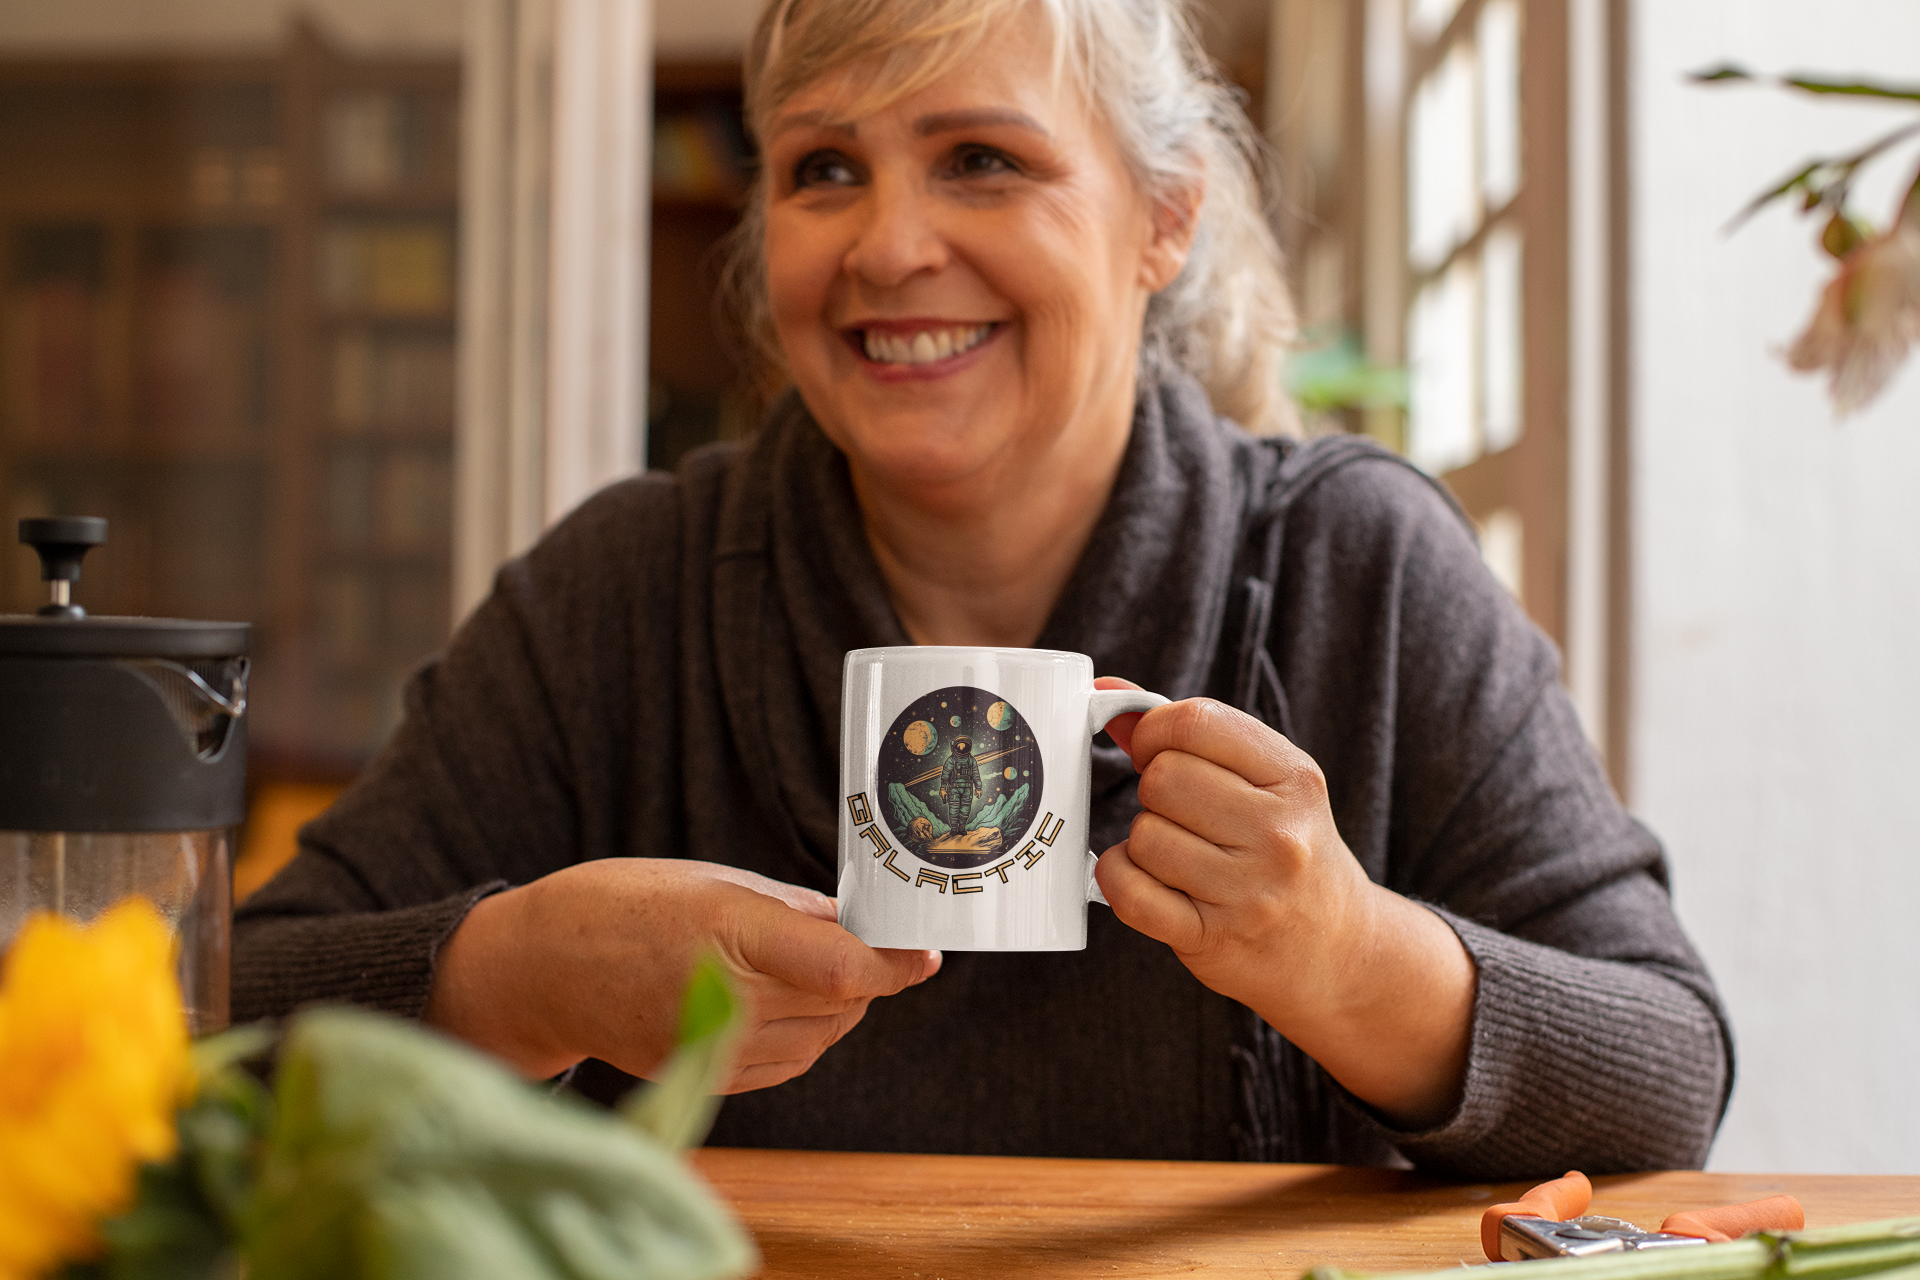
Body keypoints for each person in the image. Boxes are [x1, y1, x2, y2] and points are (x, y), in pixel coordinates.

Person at [234, 0, 1731, 1176]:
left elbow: (1667, 1076)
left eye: (983, 160)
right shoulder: (621, 598)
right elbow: (217, 1017)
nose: (888, 246)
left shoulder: (1355, 570)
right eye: (825, 169)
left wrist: (1348, 955)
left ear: (1165, 220)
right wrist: (517, 976)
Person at [939, 737, 981, 834]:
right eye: (959, 747)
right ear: (954, 747)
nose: (962, 749)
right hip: (954, 789)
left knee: (965, 810)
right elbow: (945, 775)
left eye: (964, 747)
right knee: (954, 810)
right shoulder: (951, 760)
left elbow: (975, 775)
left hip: (967, 789)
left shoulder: (971, 761)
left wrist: (978, 788)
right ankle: (954, 829)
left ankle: (962, 828)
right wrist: (943, 788)